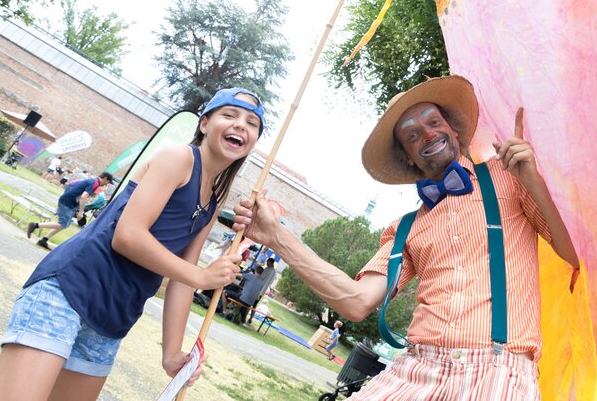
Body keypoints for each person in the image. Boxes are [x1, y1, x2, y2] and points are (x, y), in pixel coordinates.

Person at [234, 75, 579, 399]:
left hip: (498, 373)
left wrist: (532, 179)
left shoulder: (509, 179)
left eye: (433, 122)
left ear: (456, 132)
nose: (427, 135)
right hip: (415, 371)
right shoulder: (405, 228)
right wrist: (277, 237)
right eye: (412, 135)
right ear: (409, 159)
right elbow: (356, 301)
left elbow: (574, 255)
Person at [0, 88, 264, 401]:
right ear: (204, 124)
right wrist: (202, 276)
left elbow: (181, 279)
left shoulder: (213, 202)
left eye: (252, 122)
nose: (241, 124)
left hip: (113, 319)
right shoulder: (179, 158)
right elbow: (128, 236)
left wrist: (171, 353)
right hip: (69, 289)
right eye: (229, 115)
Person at [26, 172, 115, 250]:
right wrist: (80, 211)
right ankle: (35, 225)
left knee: (64, 225)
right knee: (62, 224)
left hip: (69, 203)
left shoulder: (93, 181)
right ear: (105, 179)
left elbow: (72, 185)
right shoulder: (94, 183)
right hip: (67, 202)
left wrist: (77, 208)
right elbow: (84, 196)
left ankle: (44, 240)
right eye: (108, 182)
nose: (107, 184)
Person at [246, 257, 278, 325]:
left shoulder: (267, 269)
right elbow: (271, 282)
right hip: (263, 291)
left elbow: (261, 278)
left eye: (267, 262)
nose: (266, 263)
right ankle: (250, 319)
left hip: (258, 289)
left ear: (270, 262)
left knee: (250, 303)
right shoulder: (274, 272)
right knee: (254, 305)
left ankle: (245, 316)